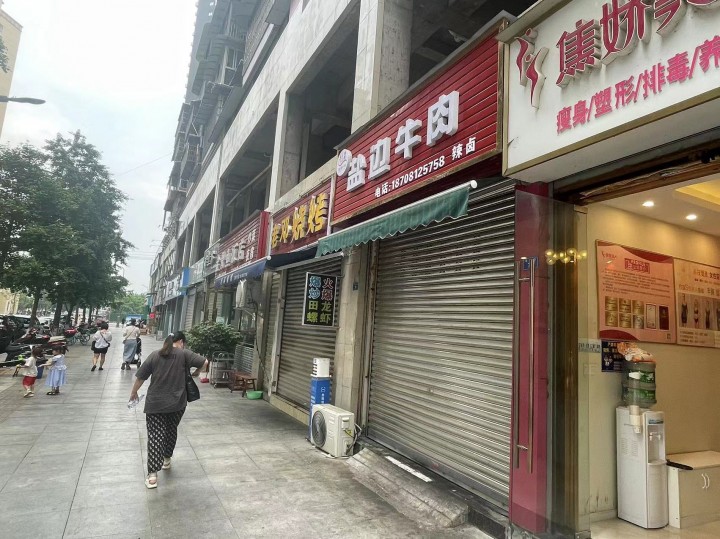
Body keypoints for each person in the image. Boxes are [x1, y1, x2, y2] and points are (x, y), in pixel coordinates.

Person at [129, 331, 207, 489]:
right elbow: (205, 362)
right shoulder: (184, 354)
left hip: (155, 404)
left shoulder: (155, 355)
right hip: (177, 403)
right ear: (181, 342)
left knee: (155, 435)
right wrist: (197, 373)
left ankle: (152, 476)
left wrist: (133, 392)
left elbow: (141, 377)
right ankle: (166, 459)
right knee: (171, 430)